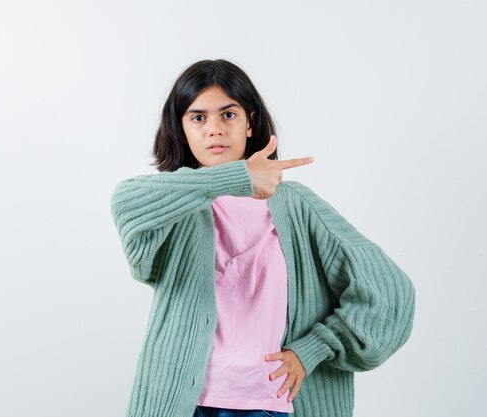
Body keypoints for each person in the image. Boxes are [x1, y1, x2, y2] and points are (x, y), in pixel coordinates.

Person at [109, 59, 416, 417]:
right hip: (182, 402)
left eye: (228, 115)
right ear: (181, 129)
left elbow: (390, 291)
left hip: (270, 403)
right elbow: (126, 200)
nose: (214, 130)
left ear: (249, 121)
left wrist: (315, 348)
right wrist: (235, 178)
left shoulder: (295, 205)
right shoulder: (174, 203)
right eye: (198, 117)